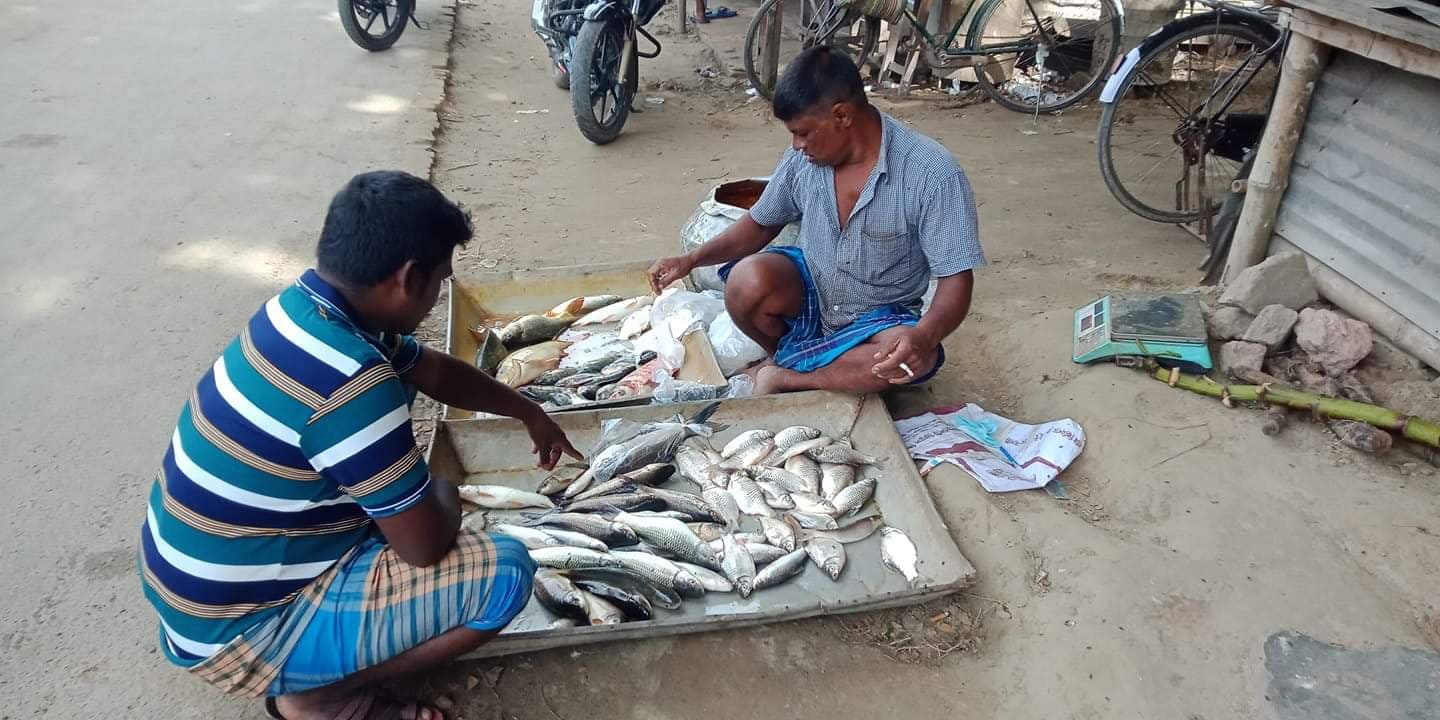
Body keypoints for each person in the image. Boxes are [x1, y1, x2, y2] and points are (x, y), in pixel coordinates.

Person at [138, 171, 581, 720]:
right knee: (506, 574)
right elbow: (423, 547)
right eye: (441, 280)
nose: (438, 296)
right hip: (240, 632)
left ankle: (313, 664)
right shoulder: (353, 380)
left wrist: (529, 411)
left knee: (395, 482)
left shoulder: (299, 311)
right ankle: (319, 696)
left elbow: (435, 372)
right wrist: (445, 489)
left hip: (190, 594)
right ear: (409, 278)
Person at [649, 47, 984, 395]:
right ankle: (803, 361)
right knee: (745, 281)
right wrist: (691, 260)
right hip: (813, 294)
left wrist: (923, 336)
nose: (797, 145)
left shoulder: (932, 173)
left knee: (914, 356)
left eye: (803, 132)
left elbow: (956, 279)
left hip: (879, 318)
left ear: (842, 115)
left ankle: (787, 377)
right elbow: (760, 224)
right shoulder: (805, 160)